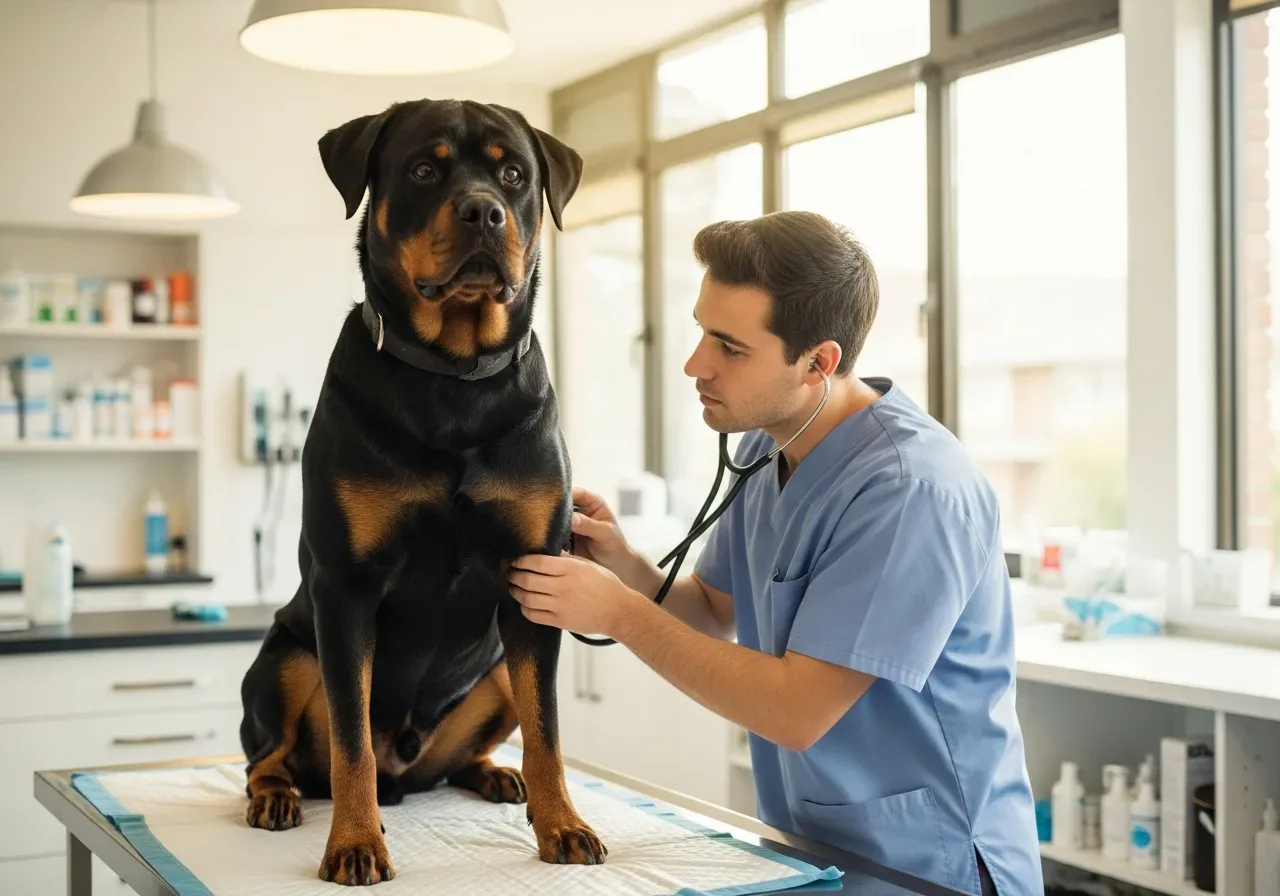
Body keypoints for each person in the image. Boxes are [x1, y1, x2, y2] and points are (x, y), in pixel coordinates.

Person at [505, 210, 1041, 895]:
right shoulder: (771, 444)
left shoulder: (910, 491)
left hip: (925, 865)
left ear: (819, 363)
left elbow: (795, 710)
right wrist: (627, 569)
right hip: (810, 850)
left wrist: (619, 615)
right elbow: (716, 613)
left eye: (729, 347)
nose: (696, 364)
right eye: (702, 331)